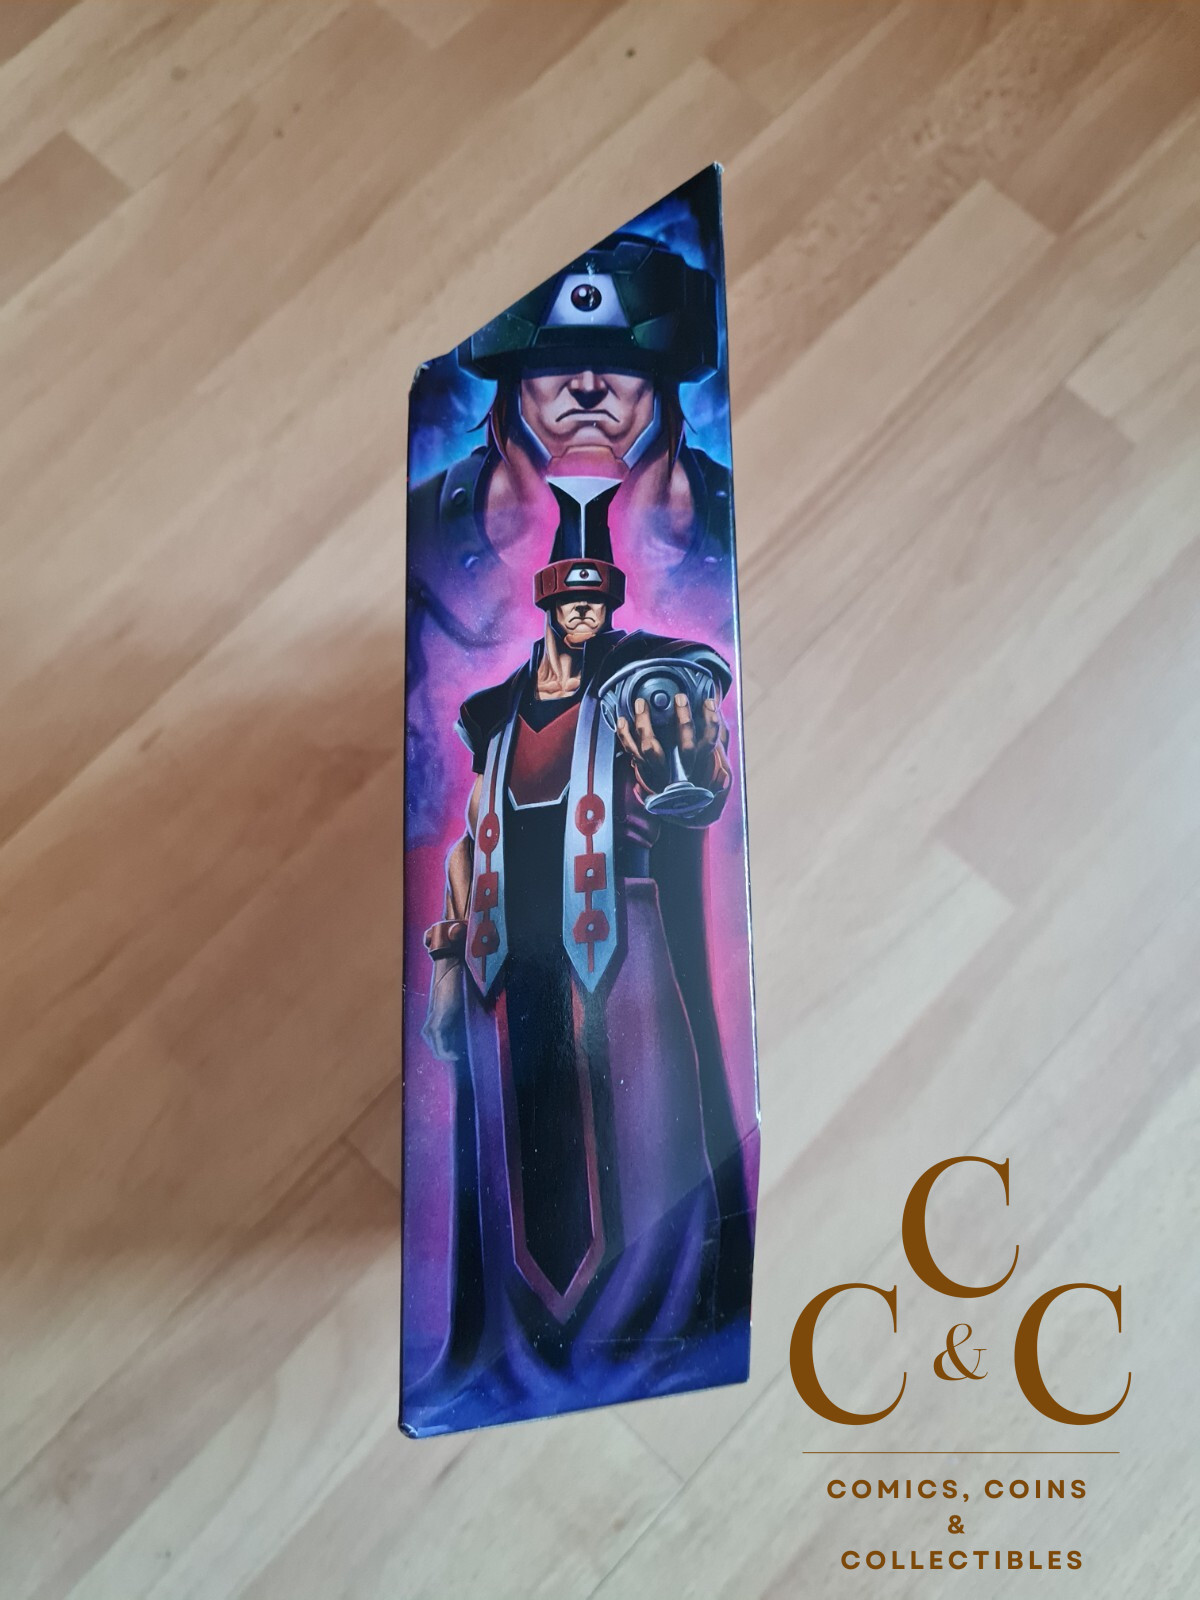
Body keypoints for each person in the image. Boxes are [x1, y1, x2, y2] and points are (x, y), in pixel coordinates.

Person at [406, 458, 752, 1431]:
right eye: (572, 603)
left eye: (599, 603)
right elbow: (468, 847)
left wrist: (691, 759)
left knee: (641, 1143)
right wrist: (447, 964)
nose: (586, 616)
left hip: (617, 952)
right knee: (515, 1164)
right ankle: (520, 1345)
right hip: (503, 965)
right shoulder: (496, 716)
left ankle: (656, 1328)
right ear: (553, 606)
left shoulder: (645, 680)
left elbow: (692, 770)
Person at [405, 232, 733, 844]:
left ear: (661, 378)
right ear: (513, 378)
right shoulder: (425, 530)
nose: (586, 385)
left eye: (622, 362)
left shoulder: (721, 527)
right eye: (553, 361)